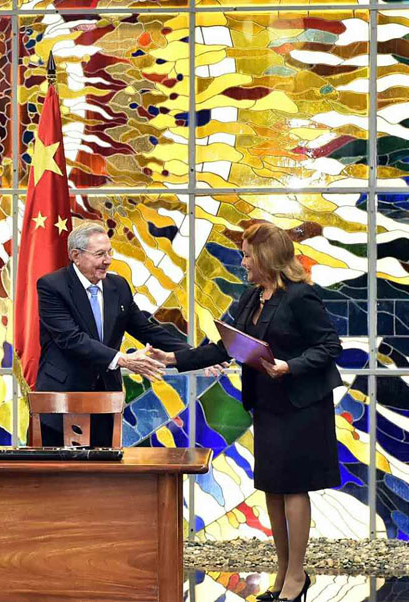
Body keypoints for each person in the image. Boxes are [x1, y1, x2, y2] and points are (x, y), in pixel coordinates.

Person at [152, 222, 342, 602]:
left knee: (292, 487)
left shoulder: (301, 297)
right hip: (268, 405)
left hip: (301, 405)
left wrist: (292, 365)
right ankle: (285, 573)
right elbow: (224, 348)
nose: (243, 262)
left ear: (266, 258)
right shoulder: (252, 299)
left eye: (246, 255)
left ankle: (295, 578)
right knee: (272, 487)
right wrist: (173, 358)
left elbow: (329, 345)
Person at [35, 222, 195, 447]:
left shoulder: (117, 286)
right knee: (58, 479)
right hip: (62, 399)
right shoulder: (52, 286)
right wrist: (123, 359)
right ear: (76, 255)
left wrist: (194, 355)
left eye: (110, 252)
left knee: (105, 476)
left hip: (106, 400)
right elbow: (71, 339)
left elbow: (146, 329)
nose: (108, 260)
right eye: (100, 254)